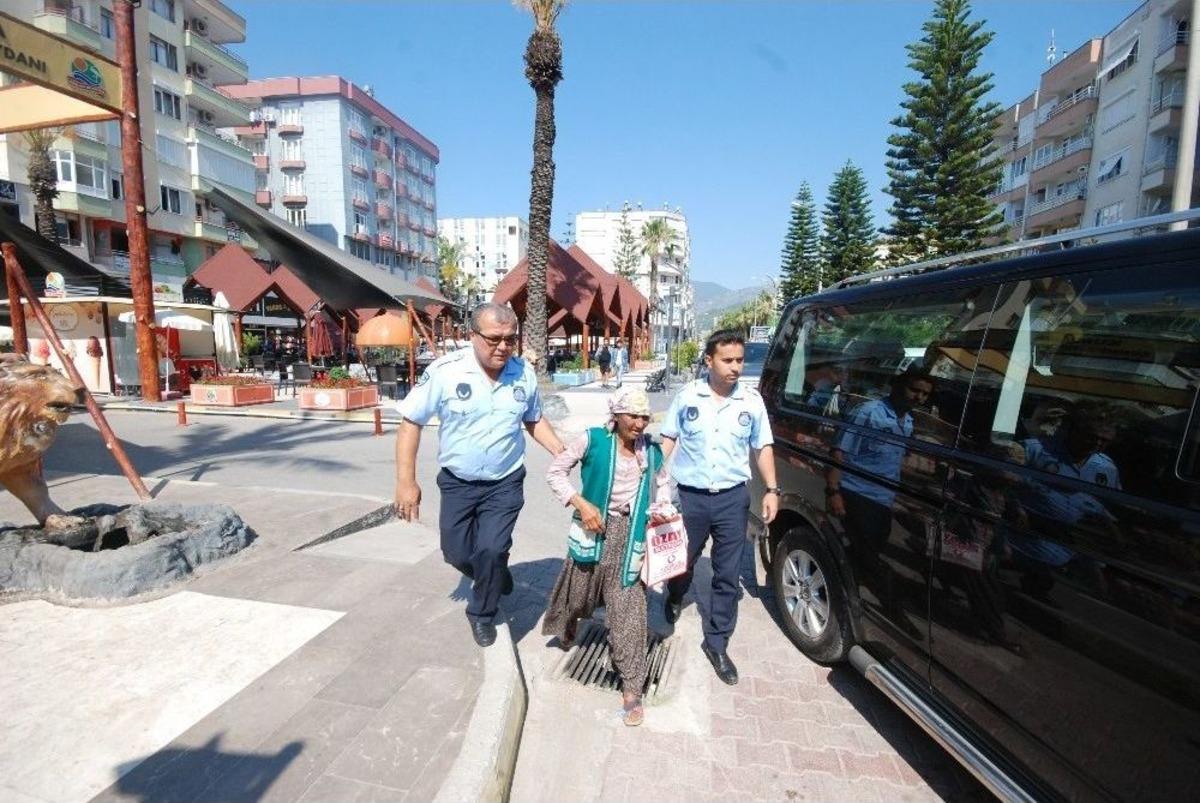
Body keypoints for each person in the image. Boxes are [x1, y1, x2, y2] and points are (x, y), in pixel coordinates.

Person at [394, 302, 566, 647]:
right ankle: (494, 576)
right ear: (472, 336)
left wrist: (563, 452)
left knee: (491, 548)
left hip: (505, 482)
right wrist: (406, 482)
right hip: (458, 482)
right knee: (455, 553)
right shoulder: (445, 372)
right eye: (493, 339)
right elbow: (411, 423)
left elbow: (532, 419)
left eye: (510, 339)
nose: (503, 346)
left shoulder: (523, 374)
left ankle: (482, 613)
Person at [659, 329, 778, 685]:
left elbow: (763, 447)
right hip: (691, 498)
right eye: (728, 360)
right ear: (709, 361)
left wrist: (772, 489)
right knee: (682, 563)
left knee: (726, 575)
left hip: (732, 499)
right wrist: (650, 476)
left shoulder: (751, 402)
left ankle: (717, 643)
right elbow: (668, 438)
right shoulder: (687, 396)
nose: (736, 367)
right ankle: (676, 593)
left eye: (740, 360)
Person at [543, 386, 667, 726]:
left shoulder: (652, 453)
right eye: (633, 416)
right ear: (616, 416)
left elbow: (664, 485)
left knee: (629, 610)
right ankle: (568, 622)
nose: (639, 423)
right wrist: (582, 504)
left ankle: (632, 689)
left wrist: (661, 508)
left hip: (631, 539)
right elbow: (555, 473)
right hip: (593, 530)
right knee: (580, 597)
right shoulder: (592, 440)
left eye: (644, 416)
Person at [826, 365, 934, 635]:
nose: (918, 397)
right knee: (873, 561)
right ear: (898, 386)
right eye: (914, 390)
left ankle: (841, 589)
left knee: (865, 553)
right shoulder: (868, 412)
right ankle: (892, 609)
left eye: (924, 394)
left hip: (884, 499)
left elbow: (896, 458)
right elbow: (839, 452)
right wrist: (834, 492)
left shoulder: (907, 420)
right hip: (857, 494)